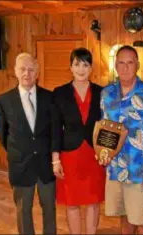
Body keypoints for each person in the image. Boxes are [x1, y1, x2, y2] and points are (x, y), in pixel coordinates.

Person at [101, 45, 143, 234]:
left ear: (137, 65)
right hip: (115, 168)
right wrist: (103, 154)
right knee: (124, 216)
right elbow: (105, 129)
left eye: (130, 62)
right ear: (115, 65)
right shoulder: (106, 94)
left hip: (141, 170)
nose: (125, 67)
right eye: (121, 62)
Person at [0, 53, 56, 234]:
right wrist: (20, 151)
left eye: (31, 70)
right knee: (23, 211)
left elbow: (53, 131)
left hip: (45, 166)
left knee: (50, 210)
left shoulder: (49, 98)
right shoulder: (3, 101)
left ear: (37, 73)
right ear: (15, 71)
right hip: (20, 165)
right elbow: (3, 135)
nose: (26, 73)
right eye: (22, 69)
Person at [51, 48, 105, 234]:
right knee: (71, 202)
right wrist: (55, 159)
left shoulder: (102, 92)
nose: (81, 69)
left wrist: (106, 153)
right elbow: (55, 128)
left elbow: (106, 125)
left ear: (91, 68)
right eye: (77, 64)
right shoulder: (59, 93)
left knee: (93, 201)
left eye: (85, 64)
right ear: (70, 67)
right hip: (70, 155)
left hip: (94, 154)